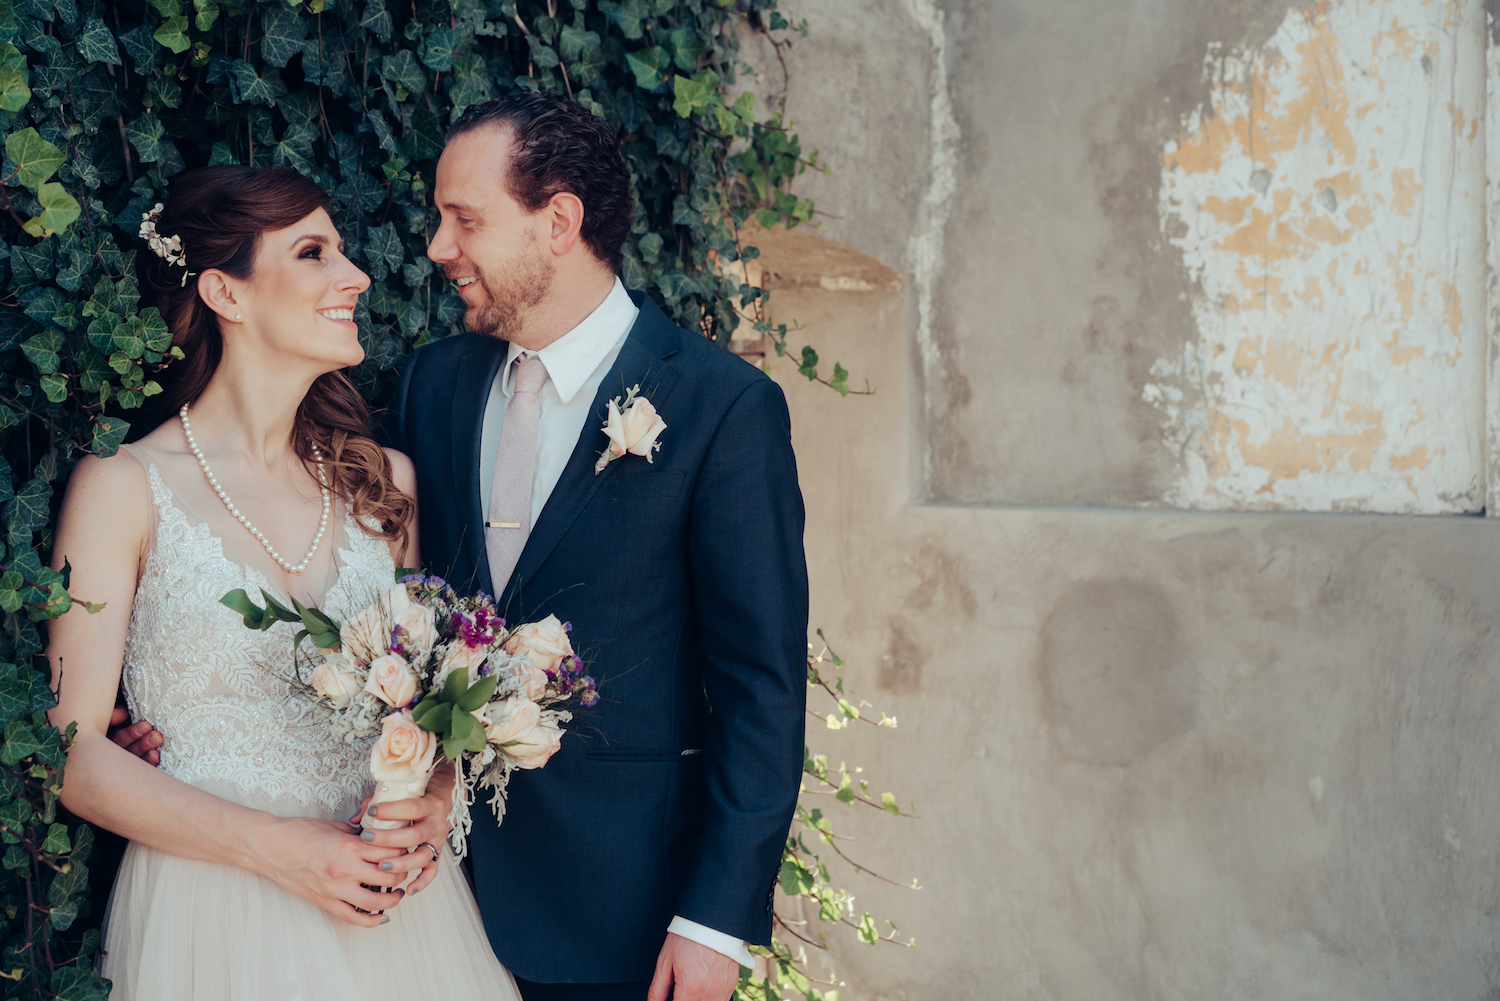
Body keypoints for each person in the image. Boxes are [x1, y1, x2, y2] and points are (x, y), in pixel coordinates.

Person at [46, 165, 519, 1000]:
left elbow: (429, 707)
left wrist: (434, 794)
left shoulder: (388, 486)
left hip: (394, 915)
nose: (356, 275)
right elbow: (74, 755)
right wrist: (286, 849)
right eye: (313, 252)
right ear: (226, 293)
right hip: (211, 916)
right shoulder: (121, 486)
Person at [386, 92, 809, 1001]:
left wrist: (716, 921)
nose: (437, 249)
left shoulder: (721, 408)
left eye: (464, 220)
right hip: (430, 902)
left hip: (623, 917)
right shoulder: (431, 385)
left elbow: (760, 690)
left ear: (558, 221)